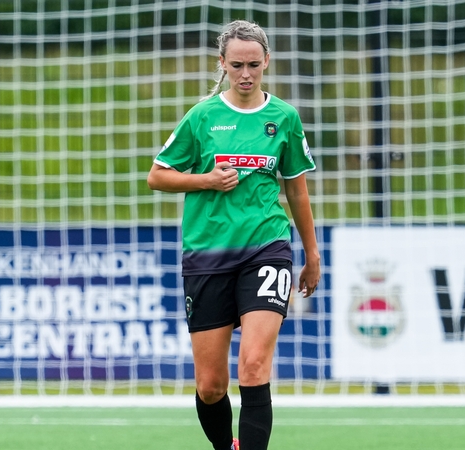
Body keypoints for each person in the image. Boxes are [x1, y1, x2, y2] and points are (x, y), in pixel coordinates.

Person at [147, 19, 320, 450]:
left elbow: (296, 189)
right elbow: (157, 176)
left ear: (267, 63)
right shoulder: (202, 117)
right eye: (237, 65)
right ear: (222, 64)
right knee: (210, 386)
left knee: (255, 365)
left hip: (267, 247)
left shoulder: (284, 117)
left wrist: (312, 255)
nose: (246, 74)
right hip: (207, 255)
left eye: (254, 65)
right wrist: (206, 180)